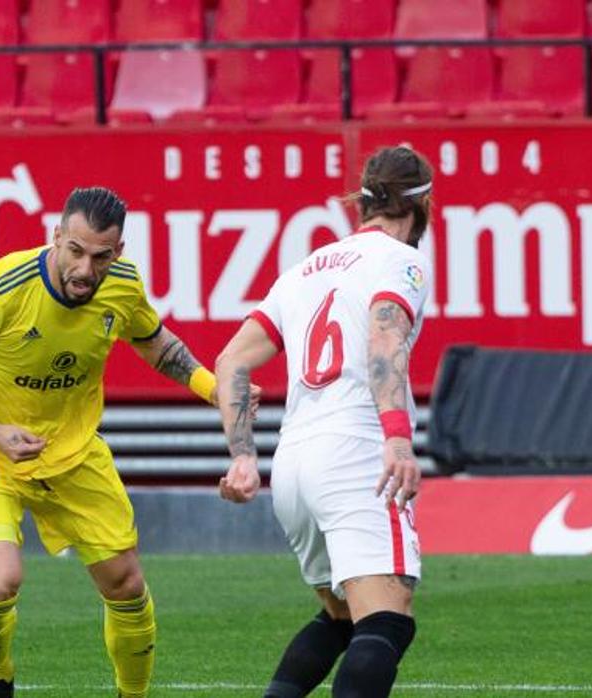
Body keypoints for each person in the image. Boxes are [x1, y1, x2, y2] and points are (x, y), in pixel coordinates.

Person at [0, 186, 224, 698]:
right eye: (74, 251)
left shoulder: (121, 286)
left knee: (126, 585)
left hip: (72, 453)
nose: (85, 269)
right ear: (56, 237)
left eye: (100, 256)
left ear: (117, 253)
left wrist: (215, 389)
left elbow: (155, 343)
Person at [214, 145, 434, 698]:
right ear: (422, 204)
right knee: (387, 619)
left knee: (342, 618)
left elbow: (231, 361)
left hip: (294, 463)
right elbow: (384, 339)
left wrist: (243, 455)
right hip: (355, 451)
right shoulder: (401, 260)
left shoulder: (305, 269)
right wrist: (398, 441)